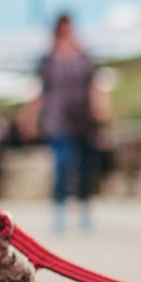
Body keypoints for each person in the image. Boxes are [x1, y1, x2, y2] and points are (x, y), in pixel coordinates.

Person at [38, 12, 98, 231]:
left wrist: (98, 108)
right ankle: (59, 211)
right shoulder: (48, 59)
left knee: (85, 167)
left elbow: (93, 84)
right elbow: (43, 91)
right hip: (58, 119)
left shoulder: (84, 56)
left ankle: (84, 210)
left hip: (83, 120)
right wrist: (33, 118)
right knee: (63, 164)